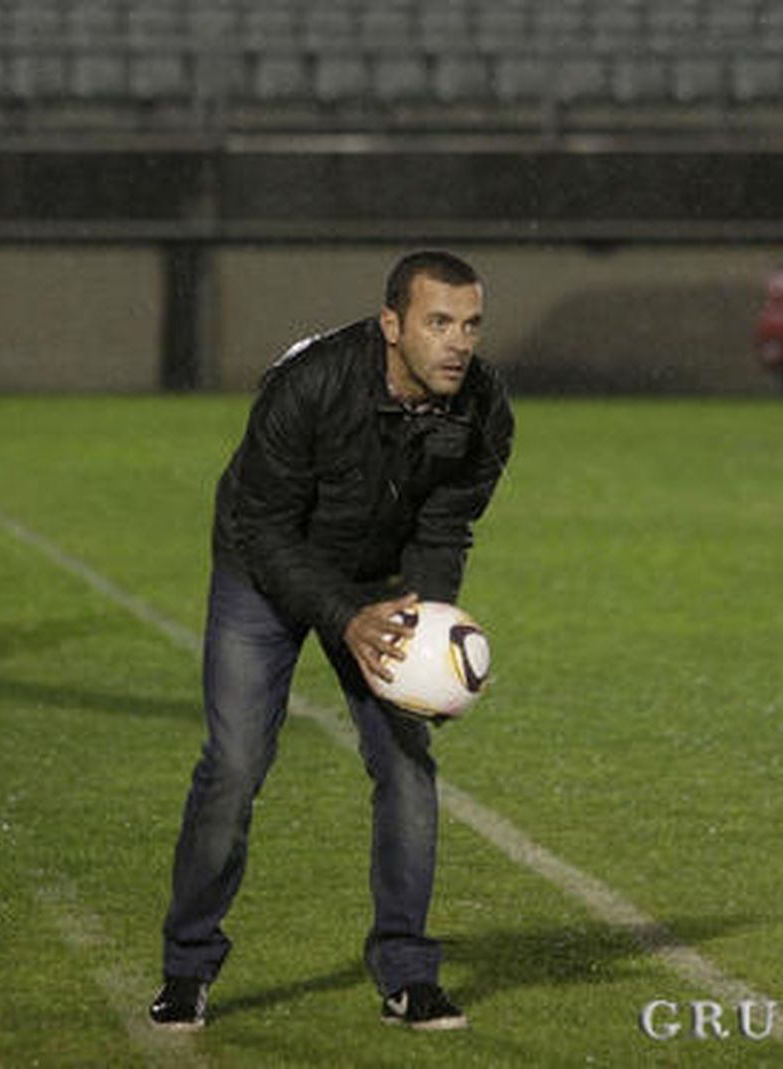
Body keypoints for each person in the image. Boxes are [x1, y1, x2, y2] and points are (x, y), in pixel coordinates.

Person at [149, 251, 514, 1032]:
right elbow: (263, 526)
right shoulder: (308, 384)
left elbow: (444, 526)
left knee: (407, 762)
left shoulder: (484, 409)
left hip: (383, 579)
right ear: (392, 324)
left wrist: (431, 645)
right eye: (438, 322)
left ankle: (408, 971)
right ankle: (186, 965)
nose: (458, 342)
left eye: (471, 324)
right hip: (262, 565)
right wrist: (344, 615)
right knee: (237, 762)